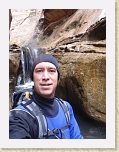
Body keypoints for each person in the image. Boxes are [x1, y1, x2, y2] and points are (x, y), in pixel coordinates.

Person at [9, 53, 84, 139]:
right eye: (39, 71)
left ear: (58, 77)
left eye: (51, 71)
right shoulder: (19, 117)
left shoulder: (66, 107)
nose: (45, 77)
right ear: (33, 78)